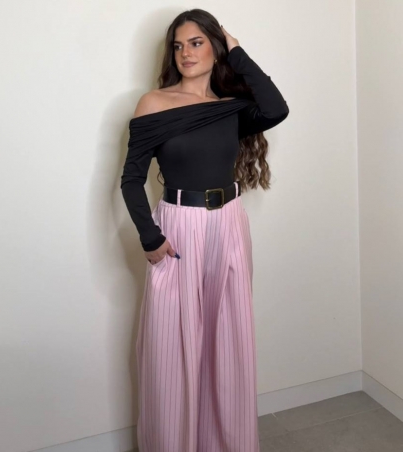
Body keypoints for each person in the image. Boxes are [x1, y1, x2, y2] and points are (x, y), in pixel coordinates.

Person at [120, 8, 289, 452]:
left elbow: (277, 107)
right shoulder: (154, 103)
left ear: (215, 47)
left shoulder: (230, 108)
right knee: (172, 347)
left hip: (229, 223)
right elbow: (131, 178)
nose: (186, 53)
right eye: (178, 45)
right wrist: (151, 238)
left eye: (197, 42)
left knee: (227, 340)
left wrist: (237, 49)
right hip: (177, 228)